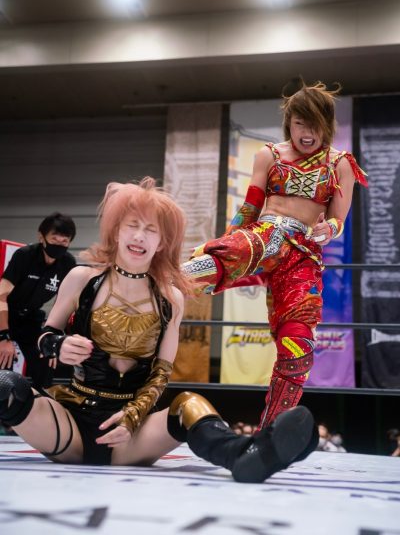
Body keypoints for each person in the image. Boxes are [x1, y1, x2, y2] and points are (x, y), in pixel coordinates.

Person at [0, 178, 317, 480]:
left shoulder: (171, 298)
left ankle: (248, 454)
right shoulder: (82, 278)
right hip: (69, 425)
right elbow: (45, 335)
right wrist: (58, 345)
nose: (139, 236)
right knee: (6, 385)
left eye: (150, 230)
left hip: (131, 435)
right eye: (132, 225)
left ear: (162, 241)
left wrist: (133, 416)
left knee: (189, 404)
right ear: (116, 231)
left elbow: (161, 373)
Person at [183, 81, 368, 430]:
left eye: (314, 125)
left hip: (304, 258)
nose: (307, 133)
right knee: (226, 253)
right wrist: (226, 241)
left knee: (299, 347)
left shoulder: (341, 163)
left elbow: (338, 220)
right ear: (289, 123)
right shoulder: (269, 154)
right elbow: (250, 208)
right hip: (267, 236)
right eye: (300, 124)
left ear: (327, 125)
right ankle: (167, 278)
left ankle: (271, 432)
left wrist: (328, 230)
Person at [0, 213, 76, 390]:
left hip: (31, 318)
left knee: (46, 362)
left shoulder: (67, 264)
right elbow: (1, 296)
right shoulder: (24, 256)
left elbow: (65, 303)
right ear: (41, 237)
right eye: (54, 239)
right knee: (5, 361)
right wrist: (3, 337)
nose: (58, 245)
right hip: (6, 313)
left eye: (64, 241)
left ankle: (40, 403)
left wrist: (54, 339)